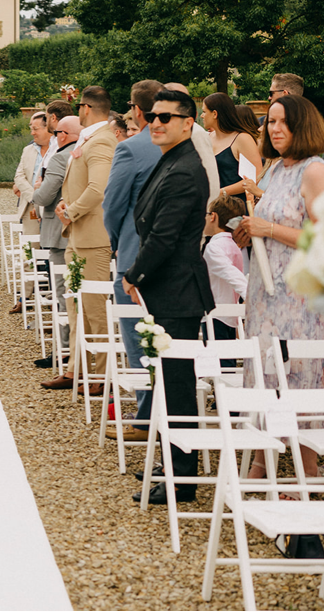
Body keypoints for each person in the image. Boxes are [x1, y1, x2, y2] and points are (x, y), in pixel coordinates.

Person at [122, 89, 215, 505]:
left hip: (176, 291)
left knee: (177, 386)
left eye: (165, 117)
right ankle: (171, 466)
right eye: (152, 116)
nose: (155, 123)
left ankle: (182, 481)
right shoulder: (171, 159)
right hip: (166, 289)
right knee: (166, 381)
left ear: (187, 123)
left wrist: (135, 274)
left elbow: (164, 236)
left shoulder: (184, 169)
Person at [240, 95, 324, 484]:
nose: (274, 130)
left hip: (298, 296)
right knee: (264, 371)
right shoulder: (272, 170)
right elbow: (262, 220)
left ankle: (306, 470)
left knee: (300, 374)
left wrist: (269, 230)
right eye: (269, 122)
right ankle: (261, 460)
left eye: (282, 123)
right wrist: (245, 229)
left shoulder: (314, 170)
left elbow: (319, 235)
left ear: (302, 126)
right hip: (264, 291)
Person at [42, 86, 118, 393]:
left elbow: (98, 190)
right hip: (76, 236)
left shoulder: (102, 141)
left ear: (86, 108)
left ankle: (100, 375)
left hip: (94, 238)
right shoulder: (89, 139)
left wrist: (70, 211)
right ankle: (75, 368)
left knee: (95, 309)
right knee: (75, 306)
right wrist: (66, 204)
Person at [100, 79, 164, 437]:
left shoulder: (131, 148)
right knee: (166, 337)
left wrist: (115, 240)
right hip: (172, 258)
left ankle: (144, 418)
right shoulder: (189, 143)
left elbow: (113, 203)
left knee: (136, 339)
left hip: (133, 254)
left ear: (136, 110)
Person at [31, 116, 80, 369]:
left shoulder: (62, 157)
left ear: (62, 135)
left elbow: (45, 195)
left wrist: (35, 189)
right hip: (81, 234)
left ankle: (63, 352)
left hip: (60, 233)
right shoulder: (84, 151)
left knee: (63, 295)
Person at [10, 112, 55, 312]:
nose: (32, 132)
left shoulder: (59, 149)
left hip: (54, 208)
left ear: (48, 128)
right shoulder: (28, 150)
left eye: (35, 128)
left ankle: (53, 296)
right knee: (29, 252)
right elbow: (19, 176)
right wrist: (35, 197)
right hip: (31, 209)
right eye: (31, 128)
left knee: (54, 252)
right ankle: (25, 297)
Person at [203, 192, 248, 344]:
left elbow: (232, 275)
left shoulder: (214, 247)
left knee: (219, 363)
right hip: (229, 317)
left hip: (216, 315)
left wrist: (251, 297)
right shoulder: (234, 246)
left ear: (213, 216)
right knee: (227, 362)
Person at [202, 91, 262, 201]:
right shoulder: (207, 137)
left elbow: (255, 176)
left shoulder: (242, 138)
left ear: (215, 114)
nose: (201, 116)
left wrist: (221, 192)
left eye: (204, 112)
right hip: (211, 206)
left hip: (235, 206)